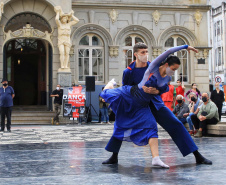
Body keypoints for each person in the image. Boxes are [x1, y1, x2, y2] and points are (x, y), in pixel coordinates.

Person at [101, 43, 212, 167]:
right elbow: (127, 88)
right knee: (121, 124)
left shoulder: (154, 66)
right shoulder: (128, 71)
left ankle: (197, 155)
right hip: (137, 104)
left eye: (146, 51)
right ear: (135, 54)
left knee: (175, 124)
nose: (145, 54)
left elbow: (164, 86)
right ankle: (114, 156)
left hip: (156, 104)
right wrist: (141, 90)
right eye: (142, 52)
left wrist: (157, 91)